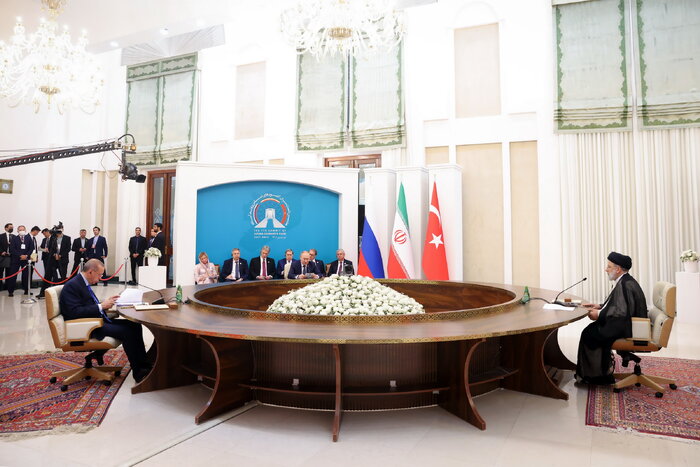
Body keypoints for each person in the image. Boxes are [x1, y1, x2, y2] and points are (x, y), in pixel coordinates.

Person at [59, 259, 151, 383]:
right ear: (90, 272)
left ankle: (145, 365)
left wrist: (107, 302)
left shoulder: (82, 282)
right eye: (100, 275)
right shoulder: (73, 285)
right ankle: (139, 372)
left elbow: (88, 304)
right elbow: (74, 312)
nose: (101, 278)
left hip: (96, 320)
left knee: (134, 325)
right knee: (127, 332)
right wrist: (101, 306)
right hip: (87, 327)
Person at [575, 252, 648, 385]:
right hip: (629, 324)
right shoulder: (625, 281)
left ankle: (597, 377)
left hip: (629, 328)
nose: (606, 269)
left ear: (618, 269)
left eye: (609, 267)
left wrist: (598, 314)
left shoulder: (625, 285)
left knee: (589, 335)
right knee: (591, 330)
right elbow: (618, 306)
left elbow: (621, 313)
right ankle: (599, 372)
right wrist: (600, 306)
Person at [7, 225, 31, 296]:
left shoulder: (28, 238)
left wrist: (26, 255)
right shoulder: (14, 238)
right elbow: (12, 249)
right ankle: (10, 291)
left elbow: (31, 248)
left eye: (23, 230)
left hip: (25, 260)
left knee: (26, 275)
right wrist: (20, 255)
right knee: (13, 275)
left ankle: (26, 290)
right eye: (20, 230)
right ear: (17, 231)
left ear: (25, 230)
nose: (21, 231)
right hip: (16, 260)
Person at [37, 228, 51, 298]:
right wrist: (42, 248)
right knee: (47, 273)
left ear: (48, 232)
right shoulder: (44, 240)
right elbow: (41, 247)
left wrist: (49, 250)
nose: (44, 235)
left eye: (44, 234)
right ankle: (44, 292)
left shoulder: (53, 239)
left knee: (52, 274)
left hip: (51, 258)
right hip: (45, 258)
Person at [0, 223, 13, 292]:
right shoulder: (1, 236)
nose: (11, 228)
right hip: (2, 257)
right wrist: (1, 252)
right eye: (10, 227)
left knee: (9, 273)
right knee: (0, 273)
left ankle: (8, 287)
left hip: (11, 257)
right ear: (6, 228)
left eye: (12, 227)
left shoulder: (14, 237)